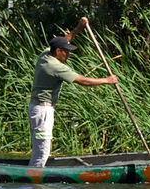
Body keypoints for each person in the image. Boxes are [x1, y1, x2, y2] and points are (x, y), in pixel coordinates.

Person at [28, 16, 118, 167]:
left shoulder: (45, 54)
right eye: (66, 52)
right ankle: (35, 182)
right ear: (58, 51)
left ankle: (34, 174)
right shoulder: (55, 67)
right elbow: (82, 81)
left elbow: (65, 39)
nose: (68, 55)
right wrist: (107, 80)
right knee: (42, 152)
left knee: (40, 149)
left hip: (38, 109)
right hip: (43, 111)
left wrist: (79, 28)